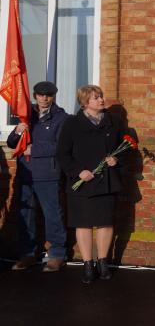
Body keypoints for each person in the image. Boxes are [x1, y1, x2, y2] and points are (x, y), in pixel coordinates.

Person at [56, 85, 124, 284]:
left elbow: (123, 149)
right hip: (83, 181)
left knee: (105, 222)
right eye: (96, 97)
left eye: (101, 96)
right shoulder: (72, 124)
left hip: (106, 181)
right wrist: (78, 171)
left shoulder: (113, 122)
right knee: (83, 223)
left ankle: (103, 262)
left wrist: (116, 160)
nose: (101, 100)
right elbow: (62, 154)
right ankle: (87, 264)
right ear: (85, 102)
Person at [7, 81, 69, 272]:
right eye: (41, 95)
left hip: (48, 173)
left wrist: (35, 149)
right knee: (26, 214)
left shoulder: (62, 118)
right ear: (35, 96)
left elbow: (61, 146)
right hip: (26, 173)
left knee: (52, 214)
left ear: (53, 96)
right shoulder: (27, 116)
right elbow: (11, 143)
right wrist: (18, 131)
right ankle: (27, 254)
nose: (44, 98)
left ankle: (57, 254)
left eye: (48, 95)